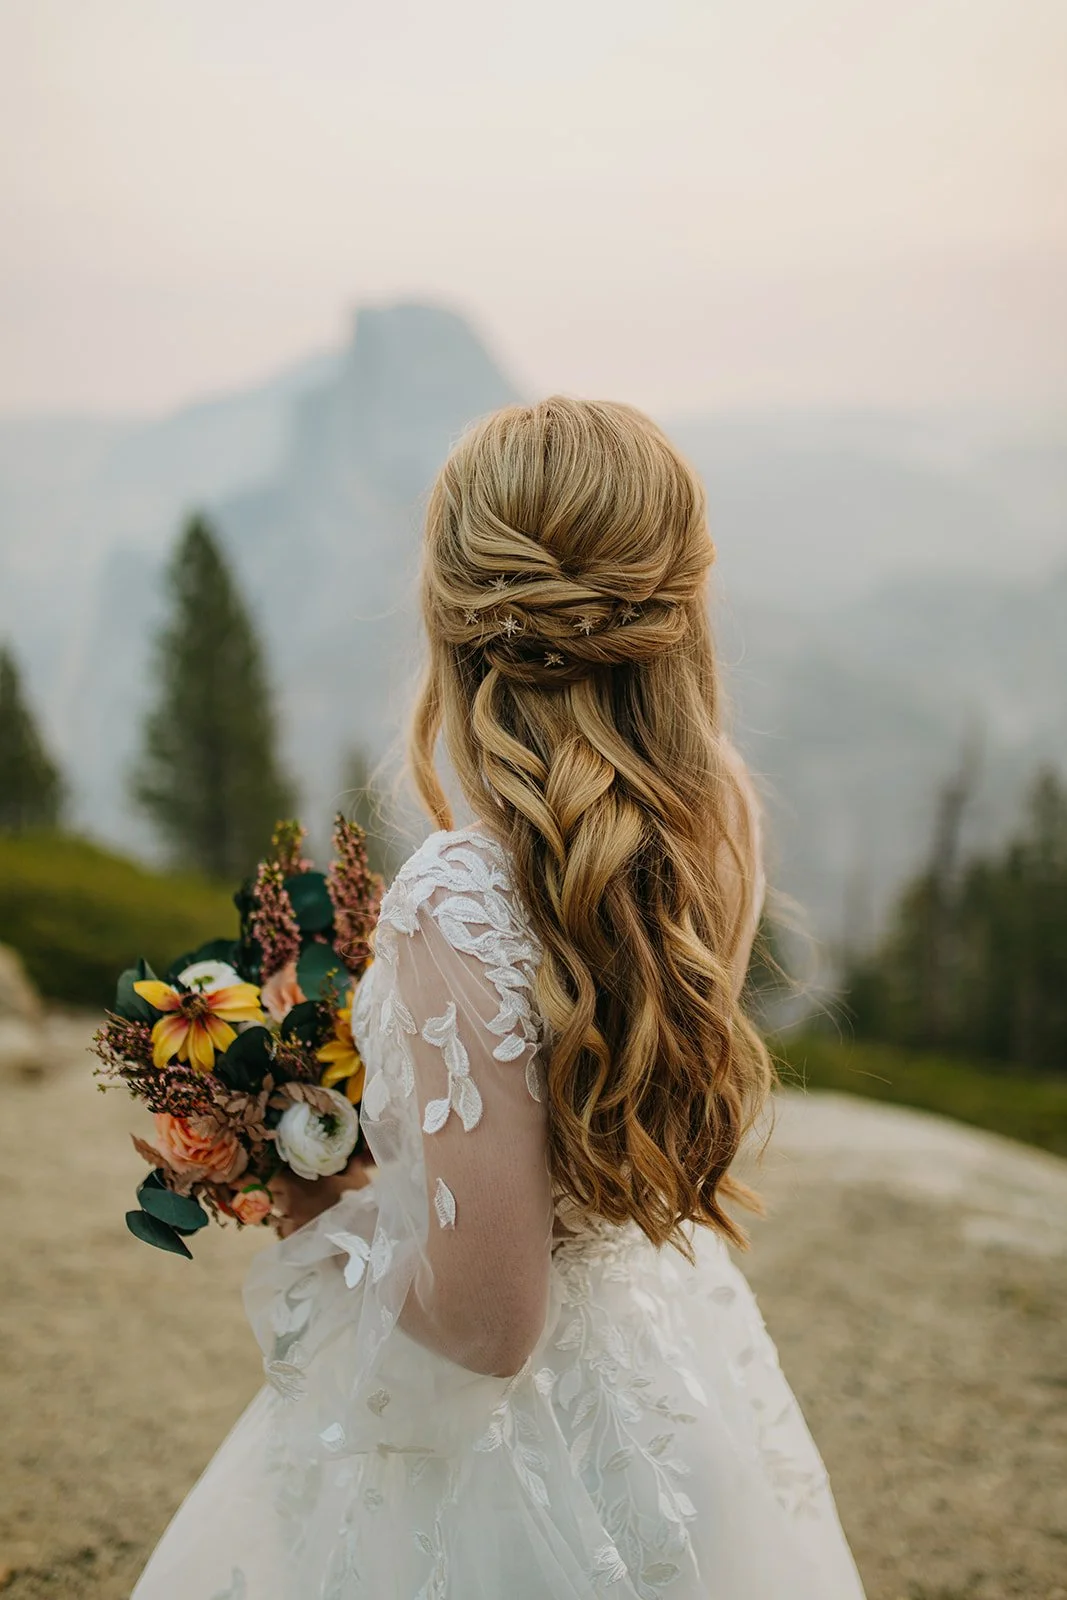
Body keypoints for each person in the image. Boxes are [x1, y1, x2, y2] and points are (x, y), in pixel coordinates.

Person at [132, 398, 866, 1599]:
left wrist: (320, 1202)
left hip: (515, 1473)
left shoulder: (458, 893)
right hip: (663, 1379)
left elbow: (487, 1324)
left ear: (449, 612)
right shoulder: (716, 808)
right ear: (677, 603)